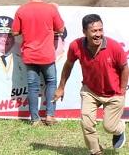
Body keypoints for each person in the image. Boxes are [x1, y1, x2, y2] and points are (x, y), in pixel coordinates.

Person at [54, 14, 127, 154]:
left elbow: (125, 68)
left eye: (100, 30)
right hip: (90, 91)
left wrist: (122, 91)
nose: (98, 34)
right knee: (86, 123)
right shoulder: (75, 46)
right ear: (84, 32)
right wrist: (61, 87)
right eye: (94, 31)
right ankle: (96, 151)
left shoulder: (114, 47)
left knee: (109, 127)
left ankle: (120, 128)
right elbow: (68, 65)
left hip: (114, 93)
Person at [11, 0, 65, 125]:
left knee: (33, 87)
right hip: (47, 54)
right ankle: (50, 116)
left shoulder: (22, 10)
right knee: (51, 83)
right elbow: (60, 29)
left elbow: (15, 32)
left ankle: (35, 119)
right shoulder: (50, 9)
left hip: (30, 54)